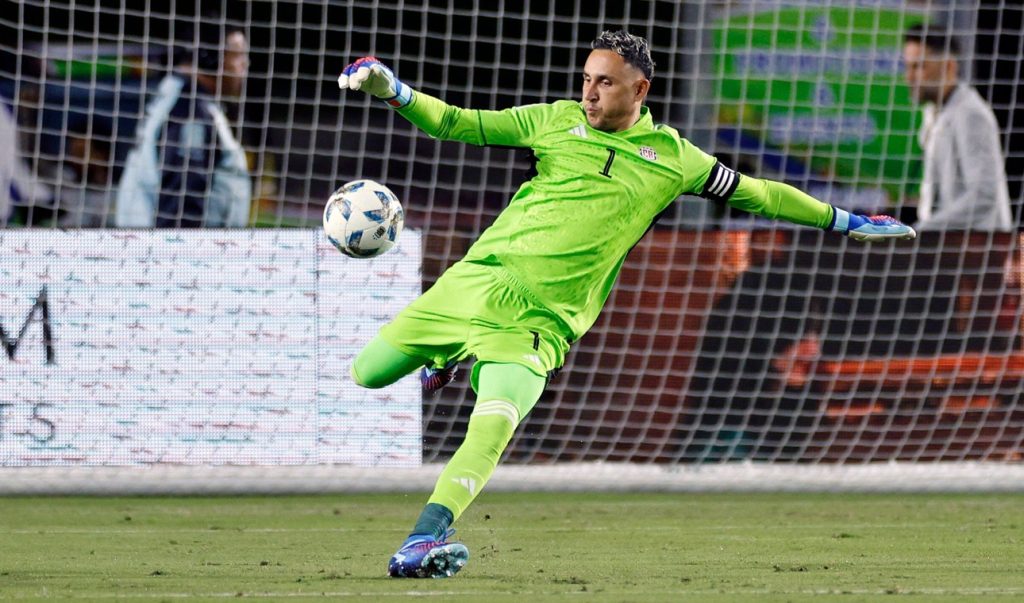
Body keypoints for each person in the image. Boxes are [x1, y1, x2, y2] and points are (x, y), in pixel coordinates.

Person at [337, 30, 916, 579]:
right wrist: (394, 90)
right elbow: (456, 123)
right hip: (470, 286)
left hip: (539, 321)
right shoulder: (554, 120)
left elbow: (760, 194)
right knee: (368, 373)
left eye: (605, 82)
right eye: (586, 78)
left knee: (491, 427)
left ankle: (423, 538)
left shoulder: (674, 158)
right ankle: (447, 357)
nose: (589, 92)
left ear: (639, 89)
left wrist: (845, 221)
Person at [115, 22, 251, 227]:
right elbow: (181, 204)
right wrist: (182, 248)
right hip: (179, 245)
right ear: (212, 58)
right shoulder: (190, 110)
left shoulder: (178, 97)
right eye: (238, 55)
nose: (245, 64)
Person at [903, 24, 1012, 231]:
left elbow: (983, 195)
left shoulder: (970, 114)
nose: (909, 77)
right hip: (951, 243)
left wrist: (925, 229)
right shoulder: (934, 112)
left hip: (979, 245)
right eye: (908, 67)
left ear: (949, 67)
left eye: (919, 67)